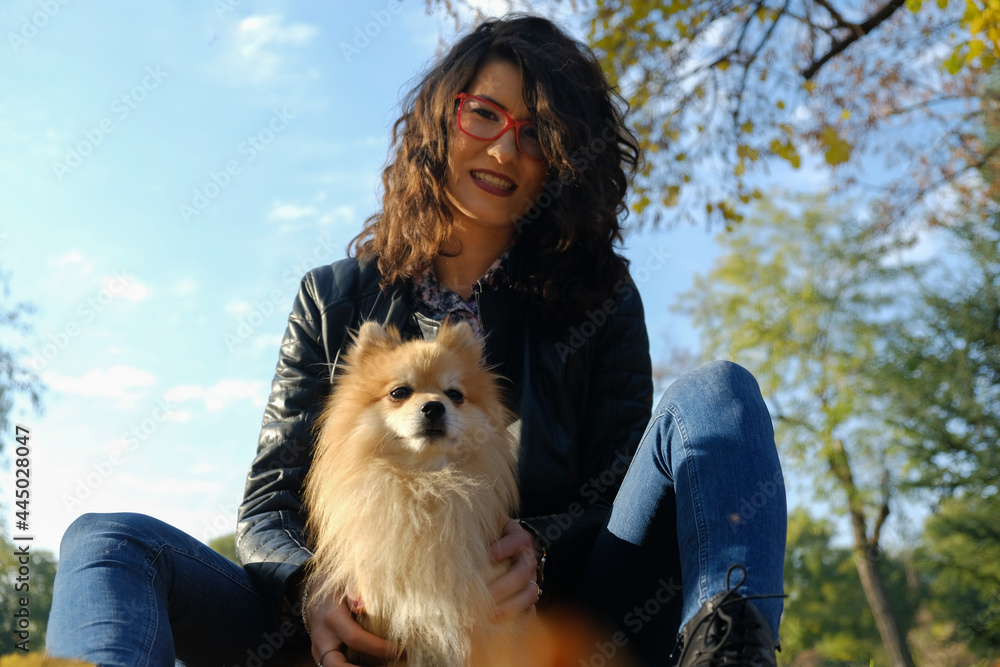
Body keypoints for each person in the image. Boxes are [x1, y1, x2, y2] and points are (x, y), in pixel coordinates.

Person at [47, 14, 786, 667]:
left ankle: (734, 651)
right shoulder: (331, 297)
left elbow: (623, 487)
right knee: (107, 540)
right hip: (354, 629)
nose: (503, 150)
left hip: (545, 624)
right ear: (441, 119)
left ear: (564, 159)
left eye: (535, 135)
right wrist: (311, 587)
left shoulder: (602, 299)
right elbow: (270, 501)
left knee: (717, 394)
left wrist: (542, 544)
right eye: (484, 116)